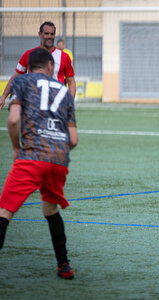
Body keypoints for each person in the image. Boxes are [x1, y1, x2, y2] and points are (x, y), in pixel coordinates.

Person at [0, 48, 78, 278]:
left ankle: (63, 265)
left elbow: (14, 119)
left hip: (32, 156)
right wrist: (58, 150)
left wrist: (16, 147)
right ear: (50, 66)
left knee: (5, 211)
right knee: (50, 209)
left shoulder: (21, 82)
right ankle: (64, 265)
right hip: (58, 161)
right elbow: (73, 139)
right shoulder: (64, 91)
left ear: (29, 66)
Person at [0, 21, 75, 111]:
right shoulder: (28, 54)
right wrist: (3, 96)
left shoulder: (64, 57)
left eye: (52, 34)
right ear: (40, 34)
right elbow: (15, 78)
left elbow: (71, 81)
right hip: (33, 104)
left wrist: (70, 103)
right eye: (46, 33)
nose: (49, 36)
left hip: (56, 105)